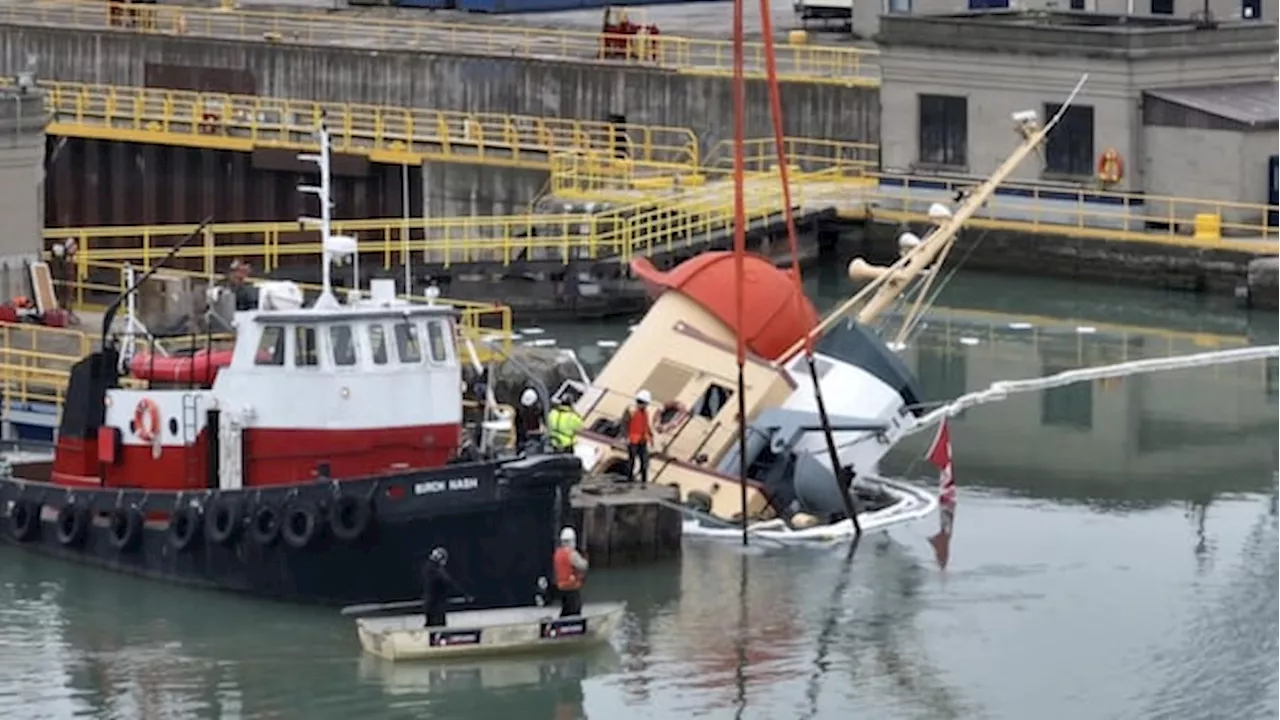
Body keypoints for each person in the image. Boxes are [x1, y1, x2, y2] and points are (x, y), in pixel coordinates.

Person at [421, 547, 469, 628]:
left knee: (431, 627)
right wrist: (464, 594)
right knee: (439, 626)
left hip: (430, 603)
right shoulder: (436, 570)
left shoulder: (428, 567)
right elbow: (449, 582)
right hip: (436, 604)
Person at [553, 527, 589, 618]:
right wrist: (585, 558)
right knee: (575, 610)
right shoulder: (572, 554)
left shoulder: (557, 553)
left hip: (561, 587)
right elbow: (583, 566)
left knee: (565, 610)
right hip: (572, 587)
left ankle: (560, 624)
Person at [620, 389, 654, 483]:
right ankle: (629, 478)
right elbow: (624, 423)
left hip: (642, 440)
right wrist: (625, 436)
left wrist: (650, 436)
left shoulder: (645, 412)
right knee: (632, 460)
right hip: (633, 440)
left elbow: (646, 425)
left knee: (644, 461)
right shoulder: (631, 410)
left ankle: (644, 480)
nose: (646, 406)